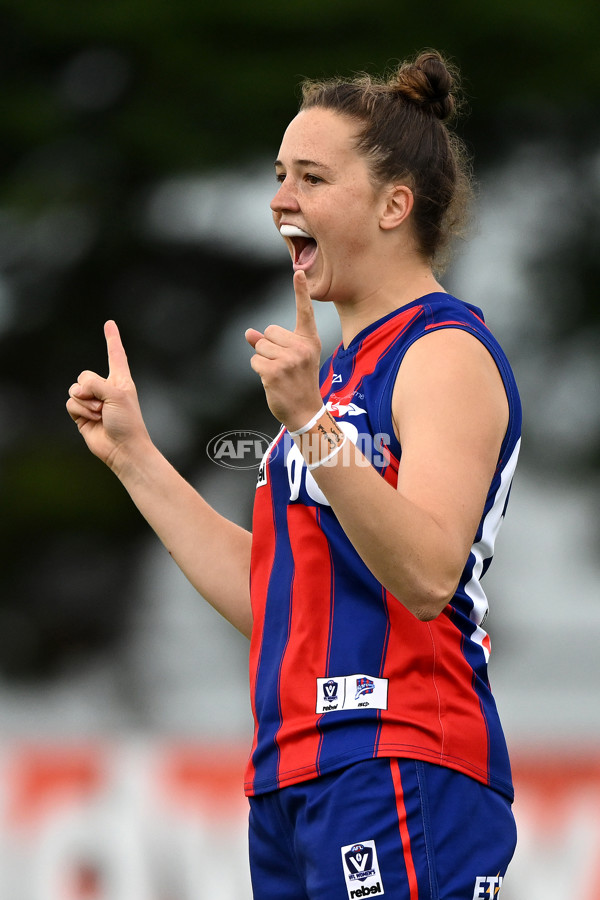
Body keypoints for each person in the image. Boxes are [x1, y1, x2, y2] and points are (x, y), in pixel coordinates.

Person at [67, 49, 520, 900]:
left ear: (395, 205)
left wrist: (311, 425)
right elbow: (275, 598)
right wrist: (135, 456)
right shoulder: (338, 376)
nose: (279, 199)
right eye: (280, 174)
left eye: (311, 177)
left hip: (401, 754)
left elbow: (428, 574)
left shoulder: (443, 353)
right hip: (293, 773)